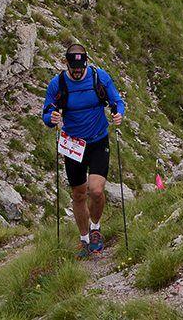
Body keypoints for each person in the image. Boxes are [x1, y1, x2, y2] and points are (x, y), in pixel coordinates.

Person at [42, 41, 126, 258]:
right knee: (79, 194)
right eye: (74, 70)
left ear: (86, 63)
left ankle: (96, 228)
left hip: (98, 140)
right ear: (67, 65)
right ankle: (84, 239)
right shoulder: (58, 84)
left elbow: (116, 100)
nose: (78, 73)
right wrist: (51, 119)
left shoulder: (99, 77)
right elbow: (47, 113)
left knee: (96, 190)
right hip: (73, 145)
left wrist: (118, 113)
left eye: (81, 69)